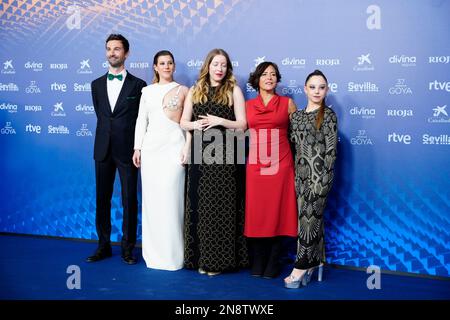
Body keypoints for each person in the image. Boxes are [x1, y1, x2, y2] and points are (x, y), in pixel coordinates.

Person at [180, 48, 249, 276]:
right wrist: (194, 126)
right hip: (200, 155)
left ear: (228, 68)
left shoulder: (234, 90)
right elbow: (183, 122)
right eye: (215, 64)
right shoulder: (195, 90)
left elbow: (242, 125)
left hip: (226, 155)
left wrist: (220, 120)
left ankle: (219, 262)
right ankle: (201, 259)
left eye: (223, 65)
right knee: (201, 208)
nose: (219, 69)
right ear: (207, 66)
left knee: (222, 209)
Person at [87, 34, 147, 265]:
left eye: (117, 49)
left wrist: (137, 146)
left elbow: (140, 119)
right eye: (109, 49)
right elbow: (102, 115)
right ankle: (103, 246)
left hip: (128, 151)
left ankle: (128, 249)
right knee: (102, 198)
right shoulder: (96, 85)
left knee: (129, 199)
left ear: (126, 53)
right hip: (102, 149)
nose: (112, 53)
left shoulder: (139, 86)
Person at [132, 50, 189, 271]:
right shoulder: (146, 91)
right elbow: (141, 120)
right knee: (153, 203)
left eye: (170, 63)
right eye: (162, 63)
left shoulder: (184, 90)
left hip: (175, 148)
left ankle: (175, 255)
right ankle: (154, 254)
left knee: (173, 202)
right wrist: (137, 148)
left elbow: (187, 121)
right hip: (151, 151)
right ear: (155, 67)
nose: (166, 66)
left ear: (174, 66)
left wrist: (186, 147)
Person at [244, 62, 298, 279]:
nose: (269, 77)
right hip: (256, 166)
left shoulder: (287, 103)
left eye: (273, 74)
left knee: (278, 212)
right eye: (264, 74)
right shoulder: (247, 106)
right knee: (257, 213)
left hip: (281, 165)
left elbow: (298, 136)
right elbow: (236, 132)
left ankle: (274, 261)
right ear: (256, 79)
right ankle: (258, 260)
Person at [285, 69, 338, 288]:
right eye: (313, 87)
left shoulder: (328, 116)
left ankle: (299, 269)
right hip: (300, 178)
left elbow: (331, 152)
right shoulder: (295, 117)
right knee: (306, 222)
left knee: (309, 221)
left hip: (320, 179)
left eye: (322, 87)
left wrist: (323, 182)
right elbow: (293, 147)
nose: (317, 91)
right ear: (305, 89)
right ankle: (314, 263)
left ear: (327, 90)